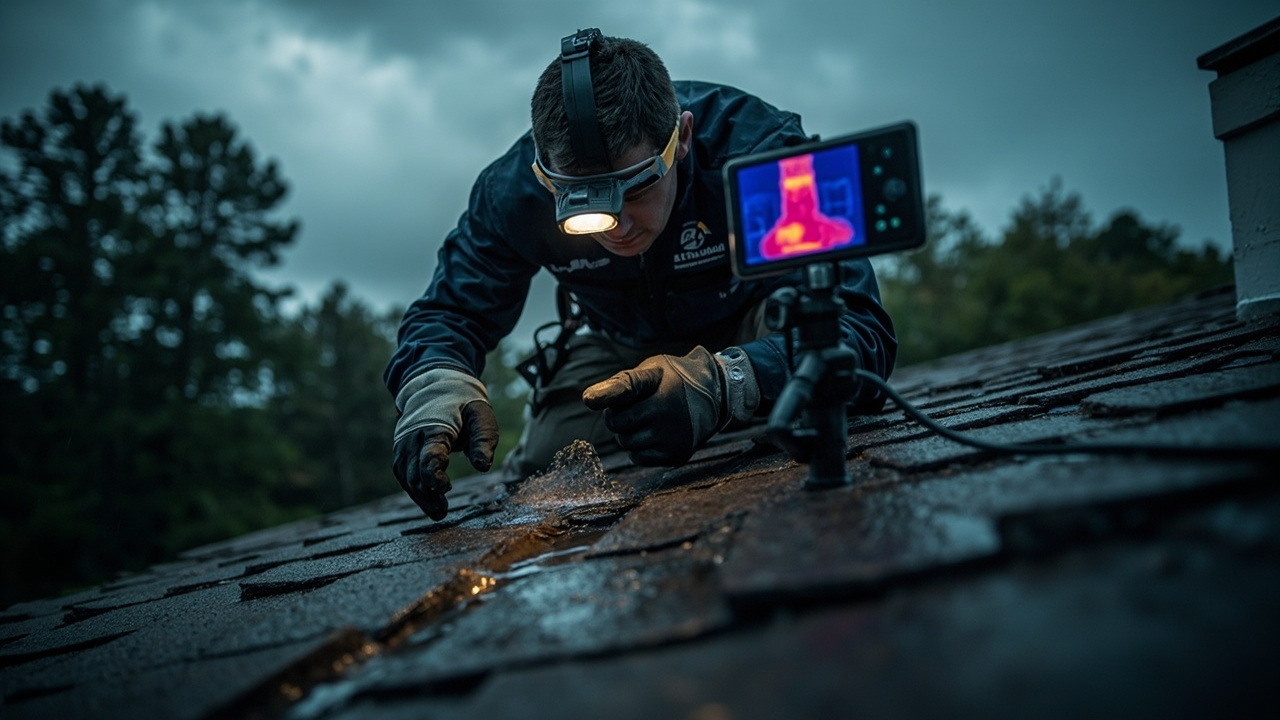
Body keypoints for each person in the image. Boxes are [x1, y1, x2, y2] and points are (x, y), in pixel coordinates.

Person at [385, 30, 897, 520]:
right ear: (545, 176)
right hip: (620, 344)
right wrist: (435, 384)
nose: (619, 227)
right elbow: (450, 310)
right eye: (582, 203)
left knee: (831, 395)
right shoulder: (514, 194)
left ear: (684, 138)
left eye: (636, 188)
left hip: (759, 321)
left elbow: (859, 330)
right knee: (545, 467)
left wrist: (727, 381)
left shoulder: (757, 150)